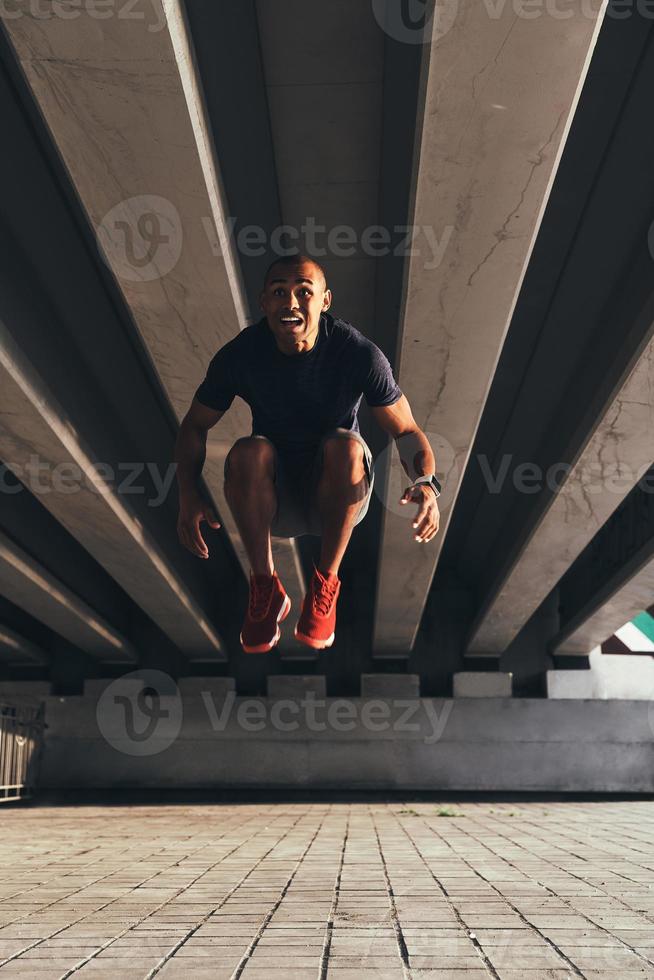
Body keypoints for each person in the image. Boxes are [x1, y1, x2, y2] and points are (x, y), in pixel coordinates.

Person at [175, 255, 440, 653]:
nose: (292, 303)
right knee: (249, 450)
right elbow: (194, 424)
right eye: (279, 292)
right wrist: (188, 494)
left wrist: (425, 484)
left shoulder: (357, 353)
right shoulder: (241, 354)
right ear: (264, 301)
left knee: (345, 444)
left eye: (304, 292)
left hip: (337, 495)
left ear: (325, 301)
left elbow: (405, 429)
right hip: (272, 499)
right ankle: (264, 587)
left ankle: (325, 585)